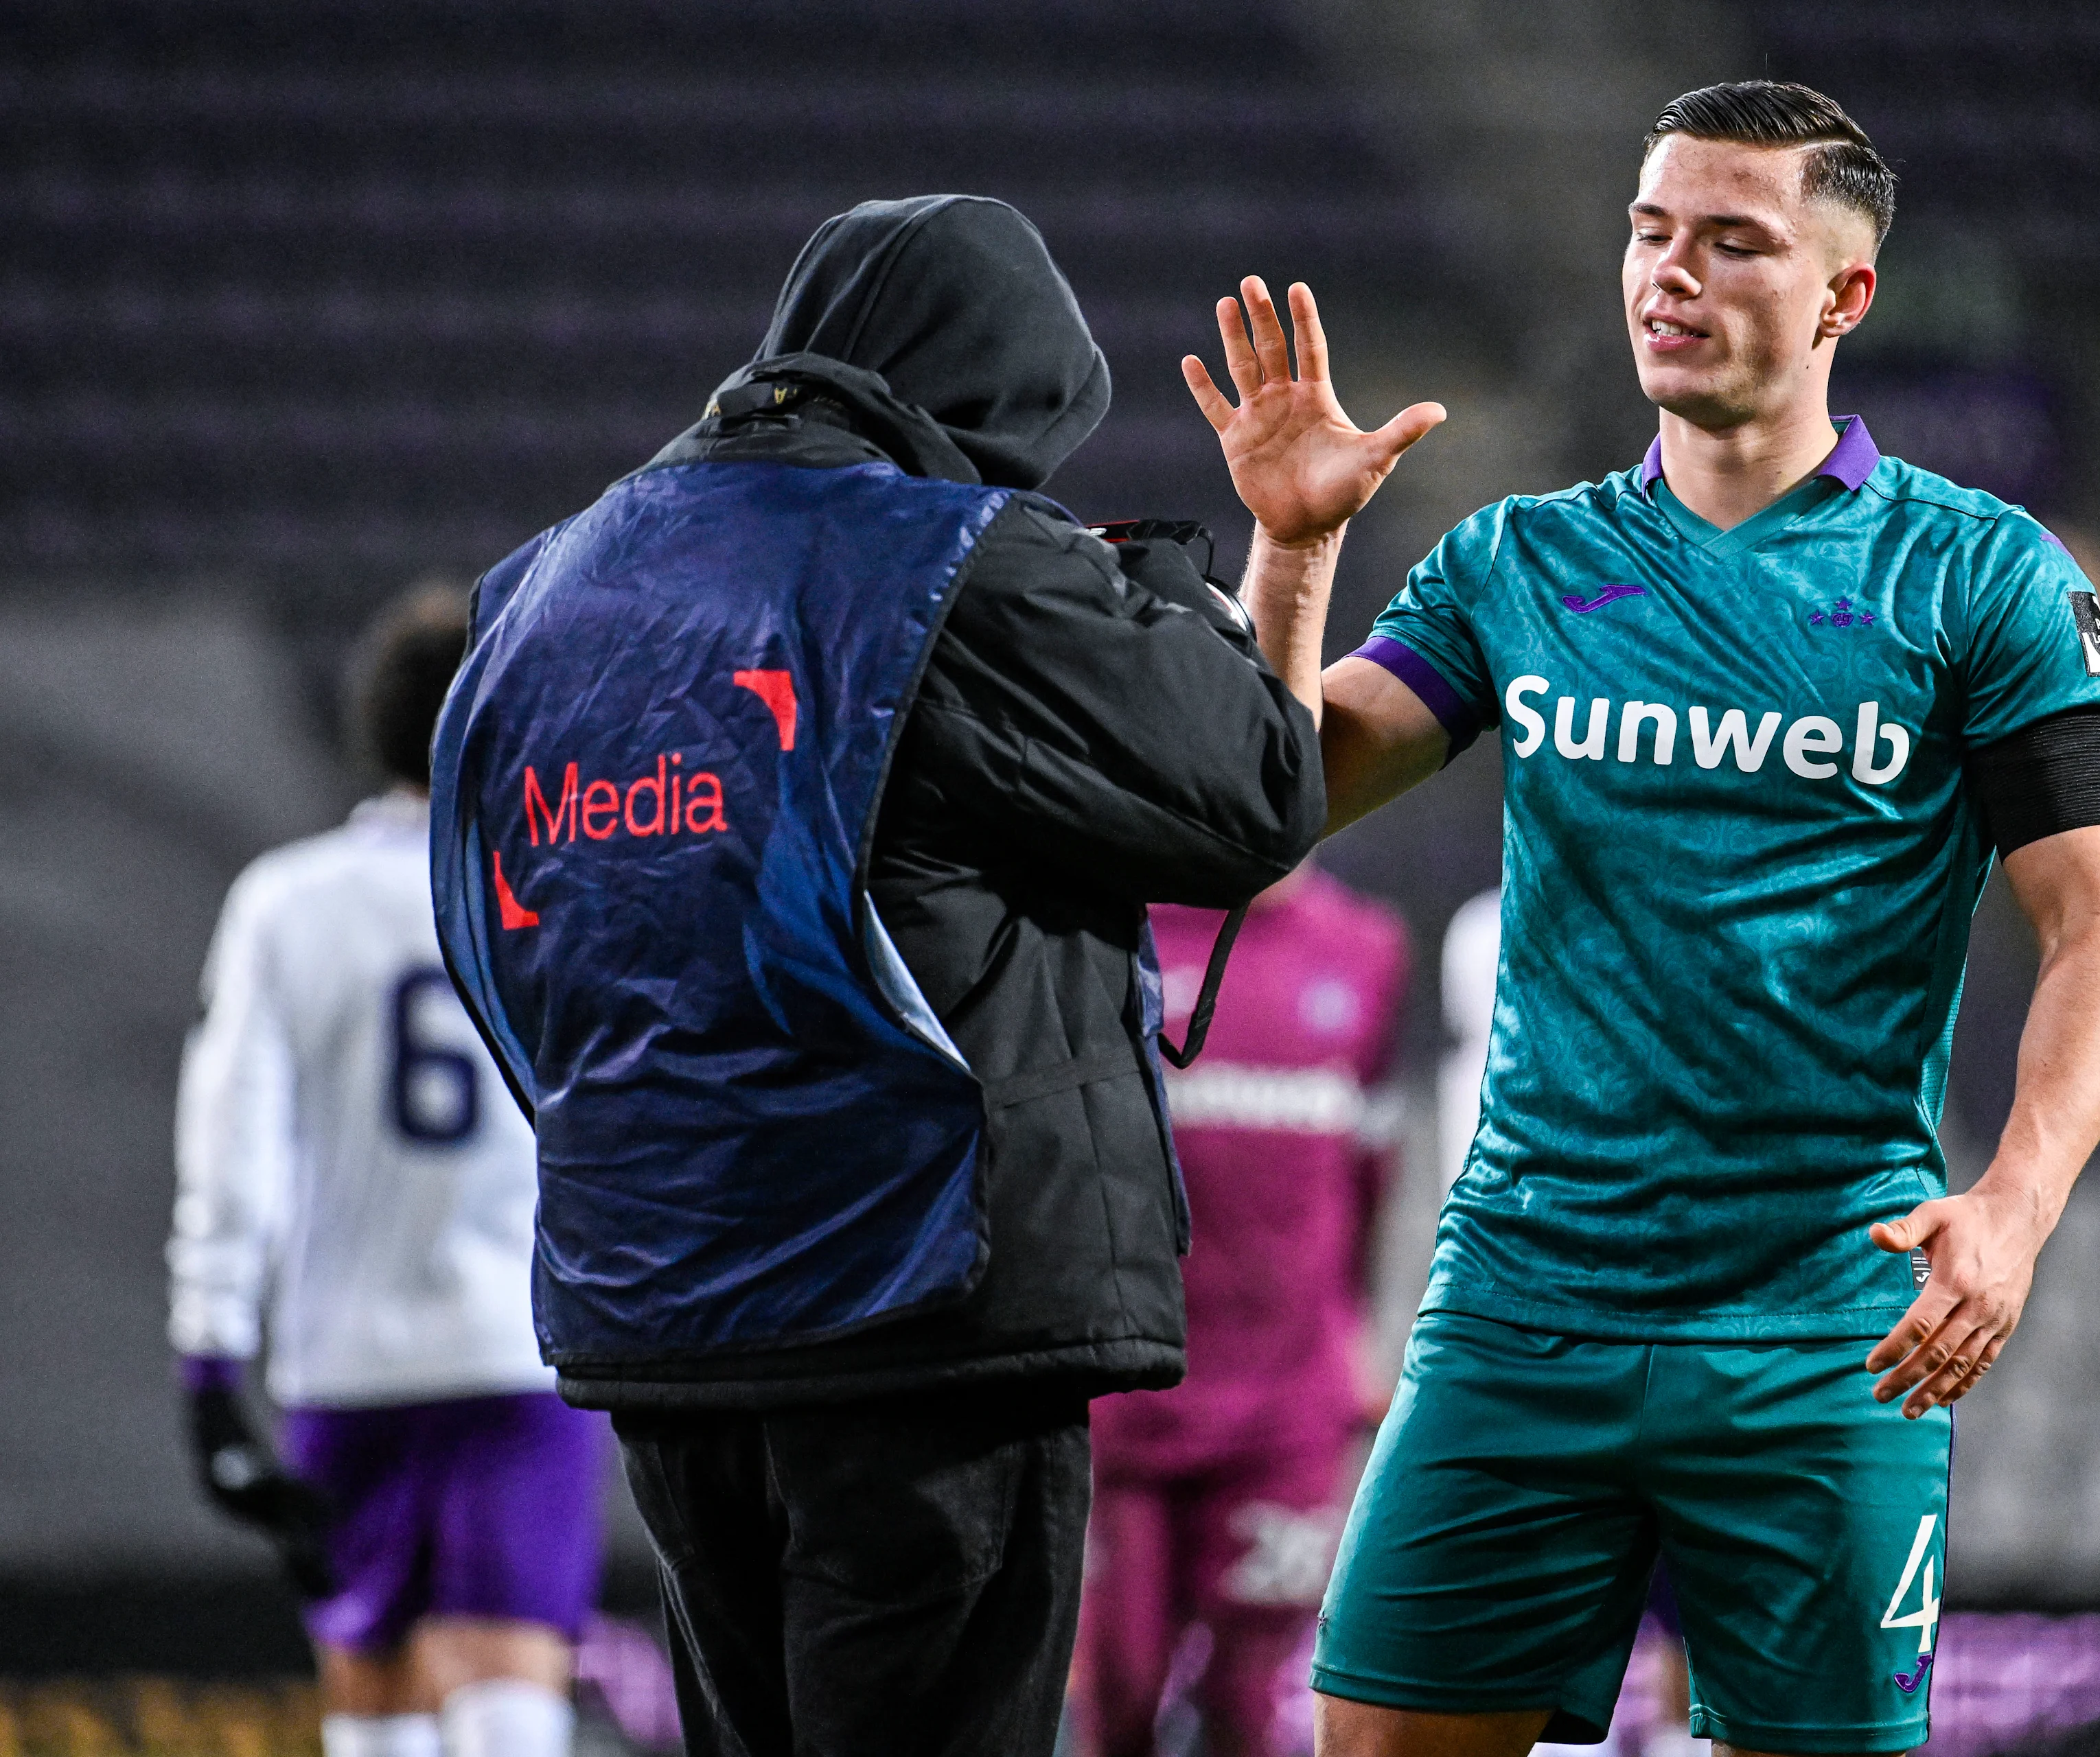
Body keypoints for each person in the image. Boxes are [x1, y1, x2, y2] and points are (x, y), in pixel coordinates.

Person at [1182, 81, 2100, 1757]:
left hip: (1821, 1320)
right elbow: (1266, 808)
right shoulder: (1521, 563)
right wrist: (1293, 557)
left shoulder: (1975, 577)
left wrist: (2013, 1201)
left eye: (1731, 241)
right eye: (1650, 232)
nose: (1670, 273)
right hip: (1521, 1295)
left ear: (1845, 295)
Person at [424, 198, 1443, 1757]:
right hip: (920, 1305)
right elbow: (1250, 798)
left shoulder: (543, 589)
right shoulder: (947, 565)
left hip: (662, 1309)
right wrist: (1271, 561)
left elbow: (497, 935)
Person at [170, 586, 605, 1757]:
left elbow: (232, 1142)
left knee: (374, 1707)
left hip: (345, 1362)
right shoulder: (568, 890)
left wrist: (210, 1357)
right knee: (511, 1688)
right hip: (525, 1350)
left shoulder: (288, 904)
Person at [1078, 864, 1409, 1757]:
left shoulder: (1367, 948)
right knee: (1120, 1695)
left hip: (1286, 1410)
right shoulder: (1109, 933)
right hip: (1128, 1398)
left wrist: (1356, 1334)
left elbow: (1369, 1173)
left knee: (1250, 1702)